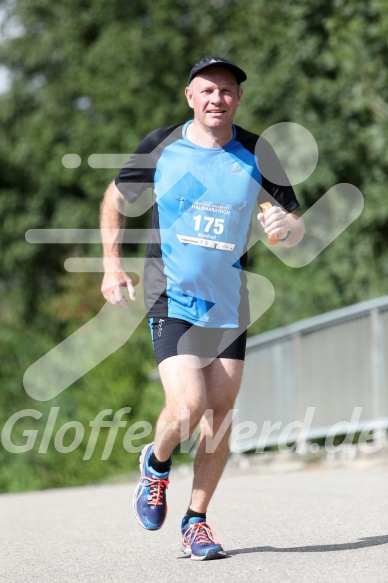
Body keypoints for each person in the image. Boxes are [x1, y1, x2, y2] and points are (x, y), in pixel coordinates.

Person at [100, 56, 304, 560]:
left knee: (220, 412)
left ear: (239, 99)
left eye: (228, 90)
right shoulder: (162, 144)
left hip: (229, 298)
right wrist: (111, 264)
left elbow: (295, 226)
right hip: (171, 292)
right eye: (207, 90)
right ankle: (157, 461)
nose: (218, 98)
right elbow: (116, 198)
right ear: (190, 96)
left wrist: (287, 229)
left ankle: (196, 521)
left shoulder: (257, 152)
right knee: (189, 404)